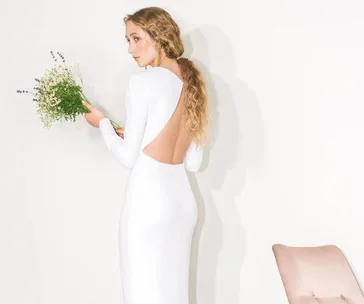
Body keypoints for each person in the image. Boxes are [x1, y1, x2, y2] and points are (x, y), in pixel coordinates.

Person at [84, 6, 209, 304]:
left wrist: (101, 123)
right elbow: (193, 161)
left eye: (136, 39)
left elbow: (129, 158)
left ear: (159, 37)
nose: (130, 49)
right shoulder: (192, 82)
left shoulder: (142, 82)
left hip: (148, 203)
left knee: (141, 294)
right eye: (128, 40)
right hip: (182, 205)